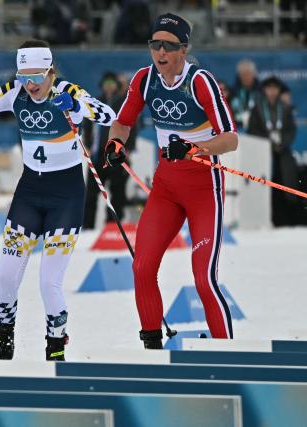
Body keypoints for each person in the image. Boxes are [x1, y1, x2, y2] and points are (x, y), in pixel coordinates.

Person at [0, 40, 115, 361]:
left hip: (66, 197)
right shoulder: (14, 90)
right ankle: (4, 342)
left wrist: (74, 108)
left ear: (51, 73)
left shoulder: (68, 91)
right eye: (24, 76)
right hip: (29, 193)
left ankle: (55, 349)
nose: (31, 85)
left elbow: (109, 114)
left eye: (38, 77)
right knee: (5, 275)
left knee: (49, 283)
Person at [105, 13, 238, 349]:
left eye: (169, 46)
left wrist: (196, 147)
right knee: (142, 267)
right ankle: (152, 348)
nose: (160, 52)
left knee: (204, 280)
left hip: (203, 187)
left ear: (183, 49)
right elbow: (122, 123)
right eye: (155, 44)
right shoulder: (144, 79)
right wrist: (115, 144)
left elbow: (230, 139)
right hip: (166, 188)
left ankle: (228, 357)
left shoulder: (199, 81)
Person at [83, 71, 140, 229]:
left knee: (117, 193)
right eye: (106, 84)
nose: (109, 87)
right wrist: (88, 144)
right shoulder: (95, 103)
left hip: (117, 154)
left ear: (117, 86)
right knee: (91, 194)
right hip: (97, 156)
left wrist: (127, 149)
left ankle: (113, 227)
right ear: (102, 86)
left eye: (112, 84)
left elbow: (132, 127)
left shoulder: (123, 103)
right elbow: (87, 125)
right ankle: (87, 227)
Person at [247, 75, 299, 227]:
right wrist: (268, 142)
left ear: (278, 90)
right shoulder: (257, 108)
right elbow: (252, 130)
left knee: (287, 187)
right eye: (269, 88)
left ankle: (289, 222)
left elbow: (291, 130)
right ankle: (267, 220)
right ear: (264, 90)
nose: (272, 92)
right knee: (267, 188)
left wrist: (282, 143)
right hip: (264, 154)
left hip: (283, 154)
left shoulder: (286, 108)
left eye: (274, 89)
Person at [230, 59, 260, 132]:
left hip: (257, 131)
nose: (246, 77)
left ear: (254, 74)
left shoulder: (261, 91)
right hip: (237, 130)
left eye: (248, 74)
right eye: (243, 74)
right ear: (239, 76)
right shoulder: (232, 92)